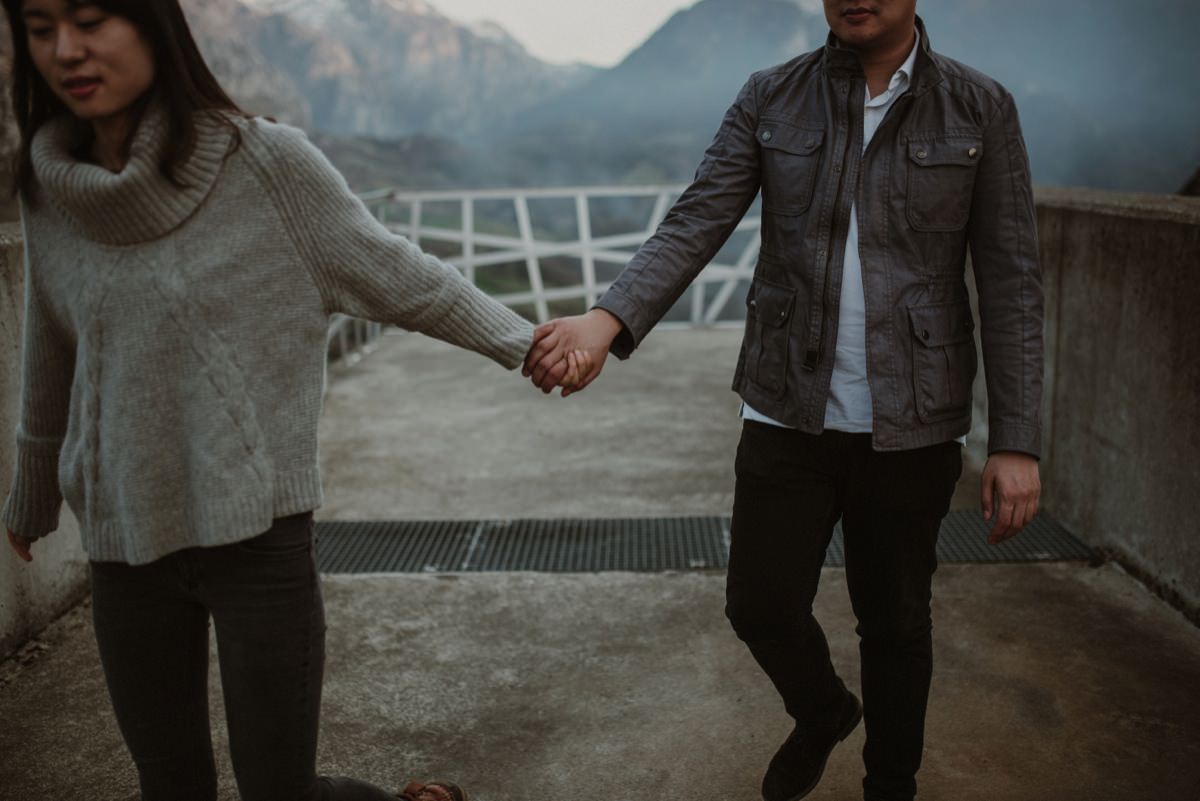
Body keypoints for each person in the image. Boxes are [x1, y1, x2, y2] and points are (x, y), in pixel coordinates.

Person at [0, 1, 586, 799]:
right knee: (171, 783)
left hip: (256, 541)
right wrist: (32, 489)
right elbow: (49, 336)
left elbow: (394, 272)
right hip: (122, 539)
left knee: (280, 787)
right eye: (39, 28)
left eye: (92, 17)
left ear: (153, 24)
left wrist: (524, 344)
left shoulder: (266, 164)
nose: (67, 49)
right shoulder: (45, 185)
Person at [524, 2, 1043, 800]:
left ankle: (890, 786)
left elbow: (1011, 278)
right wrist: (607, 319)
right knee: (759, 604)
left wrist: (1016, 438)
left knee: (897, 622)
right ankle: (824, 709)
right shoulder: (772, 96)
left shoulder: (980, 107)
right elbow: (698, 219)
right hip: (784, 405)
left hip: (914, 420)